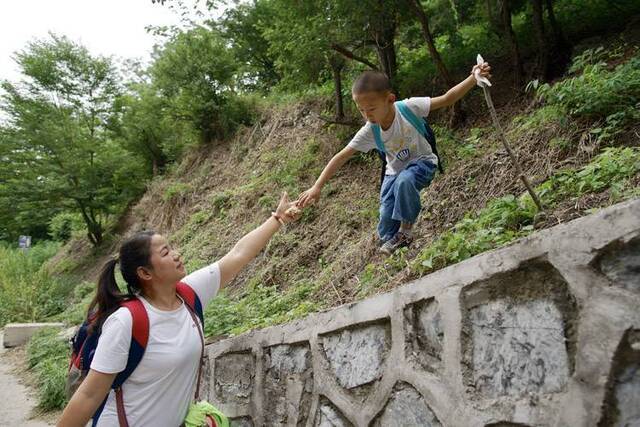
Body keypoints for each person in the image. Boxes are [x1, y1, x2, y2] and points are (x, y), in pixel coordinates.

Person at [58, 193, 301, 427]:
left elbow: (237, 255)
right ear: (145, 273)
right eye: (165, 252)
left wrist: (277, 219)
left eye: (172, 248)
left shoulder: (189, 296)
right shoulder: (127, 321)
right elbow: (89, 395)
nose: (176, 254)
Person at [297, 63, 492, 254]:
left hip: (422, 162)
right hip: (393, 172)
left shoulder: (408, 108)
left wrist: (473, 78)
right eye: (361, 110)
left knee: (405, 181)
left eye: (371, 108)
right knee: (385, 218)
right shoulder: (370, 131)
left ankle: (406, 232)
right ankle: (392, 246)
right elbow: (341, 157)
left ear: (390, 99)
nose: (367, 115)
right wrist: (317, 186)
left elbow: (447, 99)